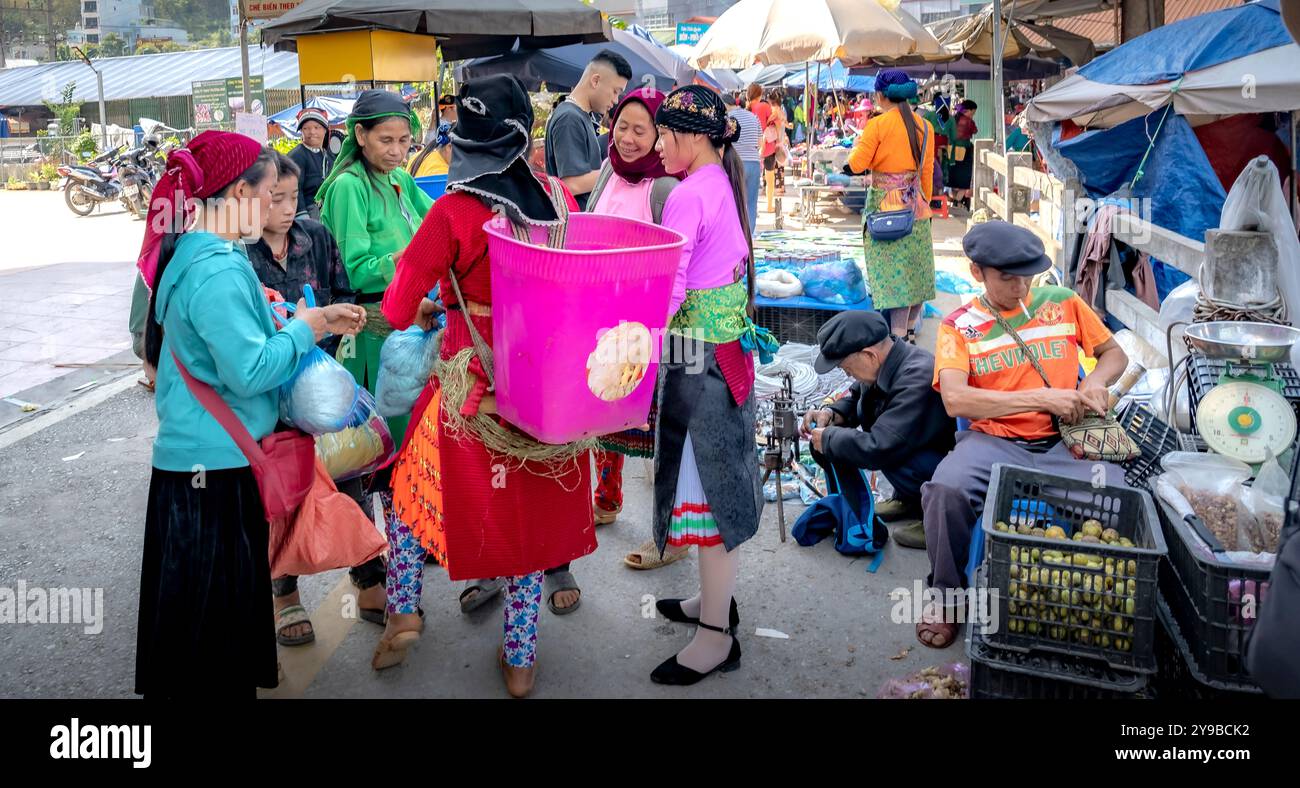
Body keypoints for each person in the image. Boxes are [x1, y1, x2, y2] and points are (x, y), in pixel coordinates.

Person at [380, 75, 595, 697]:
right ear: (523, 135)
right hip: (547, 388)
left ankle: (403, 609)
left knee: (406, 496)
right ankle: (521, 659)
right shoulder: (556, 198)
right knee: (524, 519)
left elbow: (396, 309)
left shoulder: (452, 211)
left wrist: (435, 302)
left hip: (468, 390)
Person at [134, 132, 367, 697]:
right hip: (212, 475)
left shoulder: (196, 251)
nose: (274, 211)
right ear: (239, 191)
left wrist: (294, 317)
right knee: (217, 644)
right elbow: (249, 372)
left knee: (200, 635)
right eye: (268, 197)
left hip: (201, 466)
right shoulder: (216, 269)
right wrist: (304, 328)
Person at [918, 220, 1130, 649]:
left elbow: (1115, 354)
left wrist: (1094, 383)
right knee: (944, 491)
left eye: (1026, 275)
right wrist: (1043, 398)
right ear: (977, 272)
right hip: (991, 444)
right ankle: (947, 596)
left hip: (1062, 445)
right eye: (1006, 277)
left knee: (1121, 500)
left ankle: (1097, 604)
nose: (1019, 287)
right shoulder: (958, 326)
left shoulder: (1064, 303)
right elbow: (956, 401)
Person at [648, 85, 772, 685]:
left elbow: (669, 291)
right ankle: (711, 602)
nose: (658, 148)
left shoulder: (686, 195)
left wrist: (638, 353)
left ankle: (716, 636)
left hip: (698, 364)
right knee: (718, 487)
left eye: (664, 136)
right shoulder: (720, 180)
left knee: (711, 501)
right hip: (726, 360)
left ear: (693, 136)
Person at [245, 151, 386, 646]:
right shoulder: (238, 256)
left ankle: (370, 580)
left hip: (325, 389)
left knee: (350, 482)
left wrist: (346, 316)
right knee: (283, 494)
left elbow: (345, 293)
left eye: (292, 198)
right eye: (274, 198)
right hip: (268, 396)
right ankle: (284, 594)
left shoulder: (317, 237)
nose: (285, 208)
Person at [579, 88, 684, 574]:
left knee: (662, 431)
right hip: (603, 318)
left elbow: (679, 264)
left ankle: (672, 533)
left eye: (641, 130)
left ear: (661, 135)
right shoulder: (607, 172)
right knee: (604, 412)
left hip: (651, 327)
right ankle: (607, 499)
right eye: (622, 126)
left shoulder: (665, 187)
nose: (628, 138)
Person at [802, 310, 954, 550]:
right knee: (876, 436)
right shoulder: (887, 362)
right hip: (920, 449)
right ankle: (908, 500)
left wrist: (830, 438)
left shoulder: (916, 376)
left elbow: (880, 446)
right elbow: (856, 397)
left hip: (943, 467)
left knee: (893, 452)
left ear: (869, 355)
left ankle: (939, 521)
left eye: (845, 366)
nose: (845, 372)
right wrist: (832, 414)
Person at [845, 70, 936, 344]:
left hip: (885, 209)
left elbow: (857, 165)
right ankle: (908, 332)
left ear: (881, 95)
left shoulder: (878, 126)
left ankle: (897, 341)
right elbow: (927, 172)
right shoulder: (925, 127)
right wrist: (924, 204)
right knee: (915, 273)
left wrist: (857, 145)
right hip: (916, 207)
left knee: (893, 276)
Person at [544, 49, 632, 209]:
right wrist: (621, 169)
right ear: (596, 81)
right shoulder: (569, 117)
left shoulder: (579, 115)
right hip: (574, 225)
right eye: (615, 91)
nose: (615, 100)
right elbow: (572, 184)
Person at [288, 106, 335, 220]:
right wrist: (302, 216)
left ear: (325, 130)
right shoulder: (297, 156)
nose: (312, 132)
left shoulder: (328, 156)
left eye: (316, 127)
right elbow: (294, 188)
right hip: (309, 212)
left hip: (328, 210)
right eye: (306, 128)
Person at [727, 94, 762, 233]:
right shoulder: (754, 117)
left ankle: (736, 233)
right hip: (753, 162)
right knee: (751, 202)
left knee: (735, 200)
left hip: (736, 162)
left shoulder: (729, 117)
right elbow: (760, 143)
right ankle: (750, 235)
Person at [948, 99, 978, 209]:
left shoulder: (952, 118)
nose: (973, 115)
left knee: (953, 179)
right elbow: (975, 131)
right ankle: (957, 201)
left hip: (951, 151)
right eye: (973, 113)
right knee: (963, 180)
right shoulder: (969, 121)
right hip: (964, 152)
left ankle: (955, 201)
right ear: (969, 110)